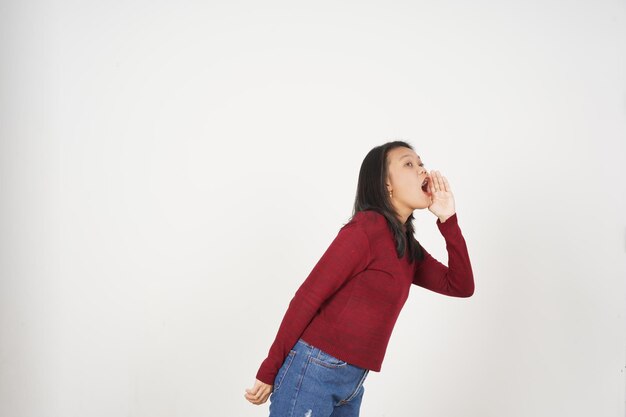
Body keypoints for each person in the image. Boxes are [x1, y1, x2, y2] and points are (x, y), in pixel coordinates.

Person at [244, 140, 475, 416]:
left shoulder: (406, 246)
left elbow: (461, 285)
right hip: (312, 370)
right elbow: (308, 296)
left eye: (421, 163)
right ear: (386, 184)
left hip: (353, 382)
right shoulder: (366, 229)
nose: (422, 170)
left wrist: (448, 218)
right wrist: (270, 368)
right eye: (408, 164)